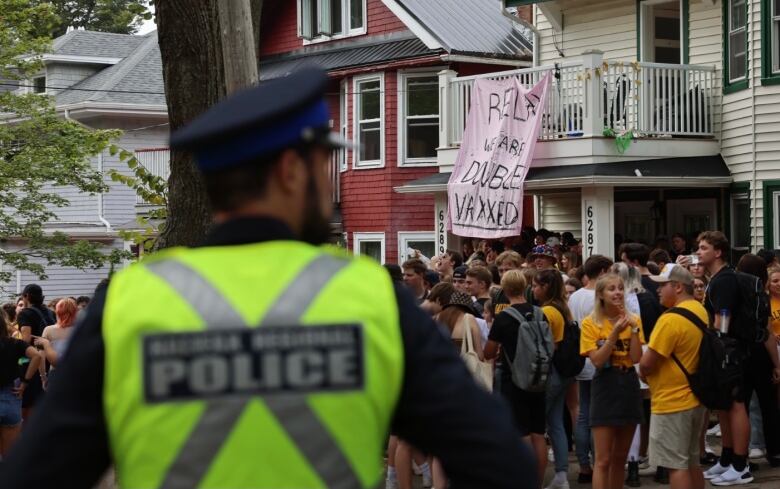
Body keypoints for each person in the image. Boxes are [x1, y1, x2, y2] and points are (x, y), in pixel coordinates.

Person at [0, 68, 533, 489]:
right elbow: (501, 463)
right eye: (325, 163)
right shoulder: (365, 296)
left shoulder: (134, 301)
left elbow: (37, 472)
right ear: (290, 171)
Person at [691, 231, 753, 485]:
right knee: (725, 405)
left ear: (717, 252)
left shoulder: (724, 280)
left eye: (704, 248)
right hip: (726, 349)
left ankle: (741, 464)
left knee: (736, 404)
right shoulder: (715, 279)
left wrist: (717, 341)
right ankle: (727, 458)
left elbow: (722, 317)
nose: (699, 252)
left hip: (731, 350)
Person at [639, 264, 707, 489]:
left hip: (672, 401)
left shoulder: (669, 320)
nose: (657, 290)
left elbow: (647, 364)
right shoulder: (699, 309)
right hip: (696, 396)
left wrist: (643, 371)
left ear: (678, 287)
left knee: (675, 466)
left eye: (662, 286)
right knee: (692, 461)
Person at [485, 270, 549, 488]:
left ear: (504, 288)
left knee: (521, 433)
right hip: (539, 377)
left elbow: (489, 352)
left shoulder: (504, 317)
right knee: (538, 433)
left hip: (514, 379)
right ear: (525, 287)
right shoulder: (540, 313)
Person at [580, 274, 644, 489]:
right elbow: (597, 361)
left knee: (620, 458)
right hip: (605, 384)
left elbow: (636, 358)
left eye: (619, 288)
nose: (617, 292)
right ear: (600, 295)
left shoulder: (633, 319)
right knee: (603, 459)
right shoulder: (591, 323)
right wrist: (614, 333)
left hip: (628, 382)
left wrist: (633, 329)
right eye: (611, 289)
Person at [568, 254, 614, 483]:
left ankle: (585, 465)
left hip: (581, 359)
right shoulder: (599, 298)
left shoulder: (574, 297)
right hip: (598, 360)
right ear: (603, 271)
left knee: (584, 413)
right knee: (597, 416)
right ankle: (597, 464)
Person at [735, 254, 780, 469]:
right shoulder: (762, 297)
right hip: (760, 353)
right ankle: (775, 451)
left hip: (739, 353)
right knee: (768, 404)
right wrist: (777, 364)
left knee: (740, 407)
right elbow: (769, 334)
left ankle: (740, 454)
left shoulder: (733, 296)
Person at [532, 269, 574, 489]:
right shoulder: (562, 308)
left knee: (538, 425)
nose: (533, 289)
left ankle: (552, 475)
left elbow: (548, 345)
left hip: (551, 372)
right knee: (556, 422)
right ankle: (562, 474)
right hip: (563, 372)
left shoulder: (547, 311)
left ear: (546, 287)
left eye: (536, 285)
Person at [0, 311, 41, 457]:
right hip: (10, 397)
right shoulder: (15, 344)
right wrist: (25, 382)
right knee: (9, 457)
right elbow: (37, 356)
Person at [15, 284, 55, 419]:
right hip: (51, 359)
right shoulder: (50, 312)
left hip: (33, 361)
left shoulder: (25, 313)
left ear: (26, 296)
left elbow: (25, 340)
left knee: (27, 403)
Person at [35, 298, 79, 370]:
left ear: (57, 312)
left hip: (55, 375)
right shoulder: (81, 330)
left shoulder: (49, 330)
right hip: (77, 374)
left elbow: (41, 356)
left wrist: (43, 377)